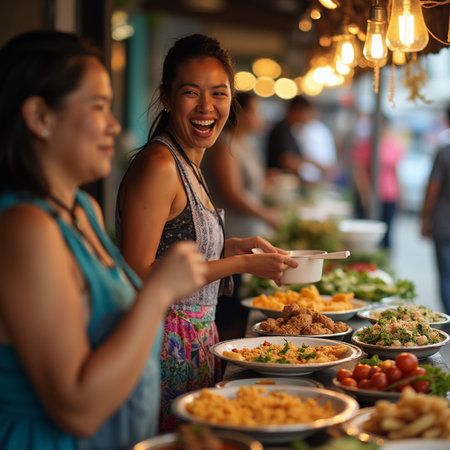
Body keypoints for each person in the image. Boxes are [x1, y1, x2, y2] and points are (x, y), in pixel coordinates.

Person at [0, 30, 207, 450]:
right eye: (97, 107)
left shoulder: (82, 210)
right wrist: (158, 291)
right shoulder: (24, 226)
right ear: (40, 116)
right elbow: (77, 410)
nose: (114, 125)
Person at [115, 34, 297, 431]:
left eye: (219, 93)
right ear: (166, 97)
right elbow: (137, 275)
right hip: (161, 347)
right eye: (191, 92)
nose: (206, 107)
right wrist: (238, 262)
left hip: (195, 343)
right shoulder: (159, 165)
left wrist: (234, 245)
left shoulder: (189, 161)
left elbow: (177, 246)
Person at [203, 91, 282, 340]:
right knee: (229, 313)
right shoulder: (225, 144)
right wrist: (266, 214)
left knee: (238, 310)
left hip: (245, 236)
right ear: (243, 113)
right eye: (257, 110)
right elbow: (232, 192)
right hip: (232, 236)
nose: (260, 117)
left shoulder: (243, 142)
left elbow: (249, 187)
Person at [351, 115, 404, 249]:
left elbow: (396, 171)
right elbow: (359, 172)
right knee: (366, 233)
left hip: (389, 194)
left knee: (387, 232)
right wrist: (365, 194)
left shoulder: (394, 146)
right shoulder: (364, 146)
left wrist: (400, 193)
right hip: (371, 195)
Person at [421, 104, 450, 315]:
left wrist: (424, 218)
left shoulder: (444, 152)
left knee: (446, 275)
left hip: (443, 224)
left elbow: (433, 188)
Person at [266, 95, 326, 183]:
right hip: (280, 186)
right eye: (307, 113)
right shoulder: (281, 131)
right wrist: (314, 163)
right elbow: (287, 162)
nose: (308, 118)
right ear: (297, 111)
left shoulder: (289, 129)